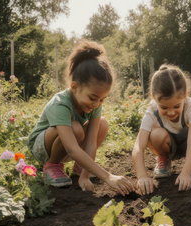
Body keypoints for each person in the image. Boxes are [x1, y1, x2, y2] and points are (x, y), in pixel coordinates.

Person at [28, 40, 134, 195]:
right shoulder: (60, 104)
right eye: (93, 98)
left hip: (71, 143)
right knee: (75, 128)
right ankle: (52, 165)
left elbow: (91, 142)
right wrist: (108, 177)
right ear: (75, 87)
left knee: (102, 124)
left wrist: (85, 175)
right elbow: (72, 148)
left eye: (102, 99)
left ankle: (81, 167)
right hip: (43, 147)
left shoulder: (94, 104)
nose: (97, 103)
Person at [133, 64, 191, 194]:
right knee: (156, 134)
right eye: (164, 107)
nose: (171, 112)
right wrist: (142, 176)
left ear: (185, 95)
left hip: (190, 144)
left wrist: (186, 173)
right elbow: (138, 147)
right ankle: (164, 159)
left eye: (176, 106)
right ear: (153, 97)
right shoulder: (151, 111)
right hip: (168, 146)